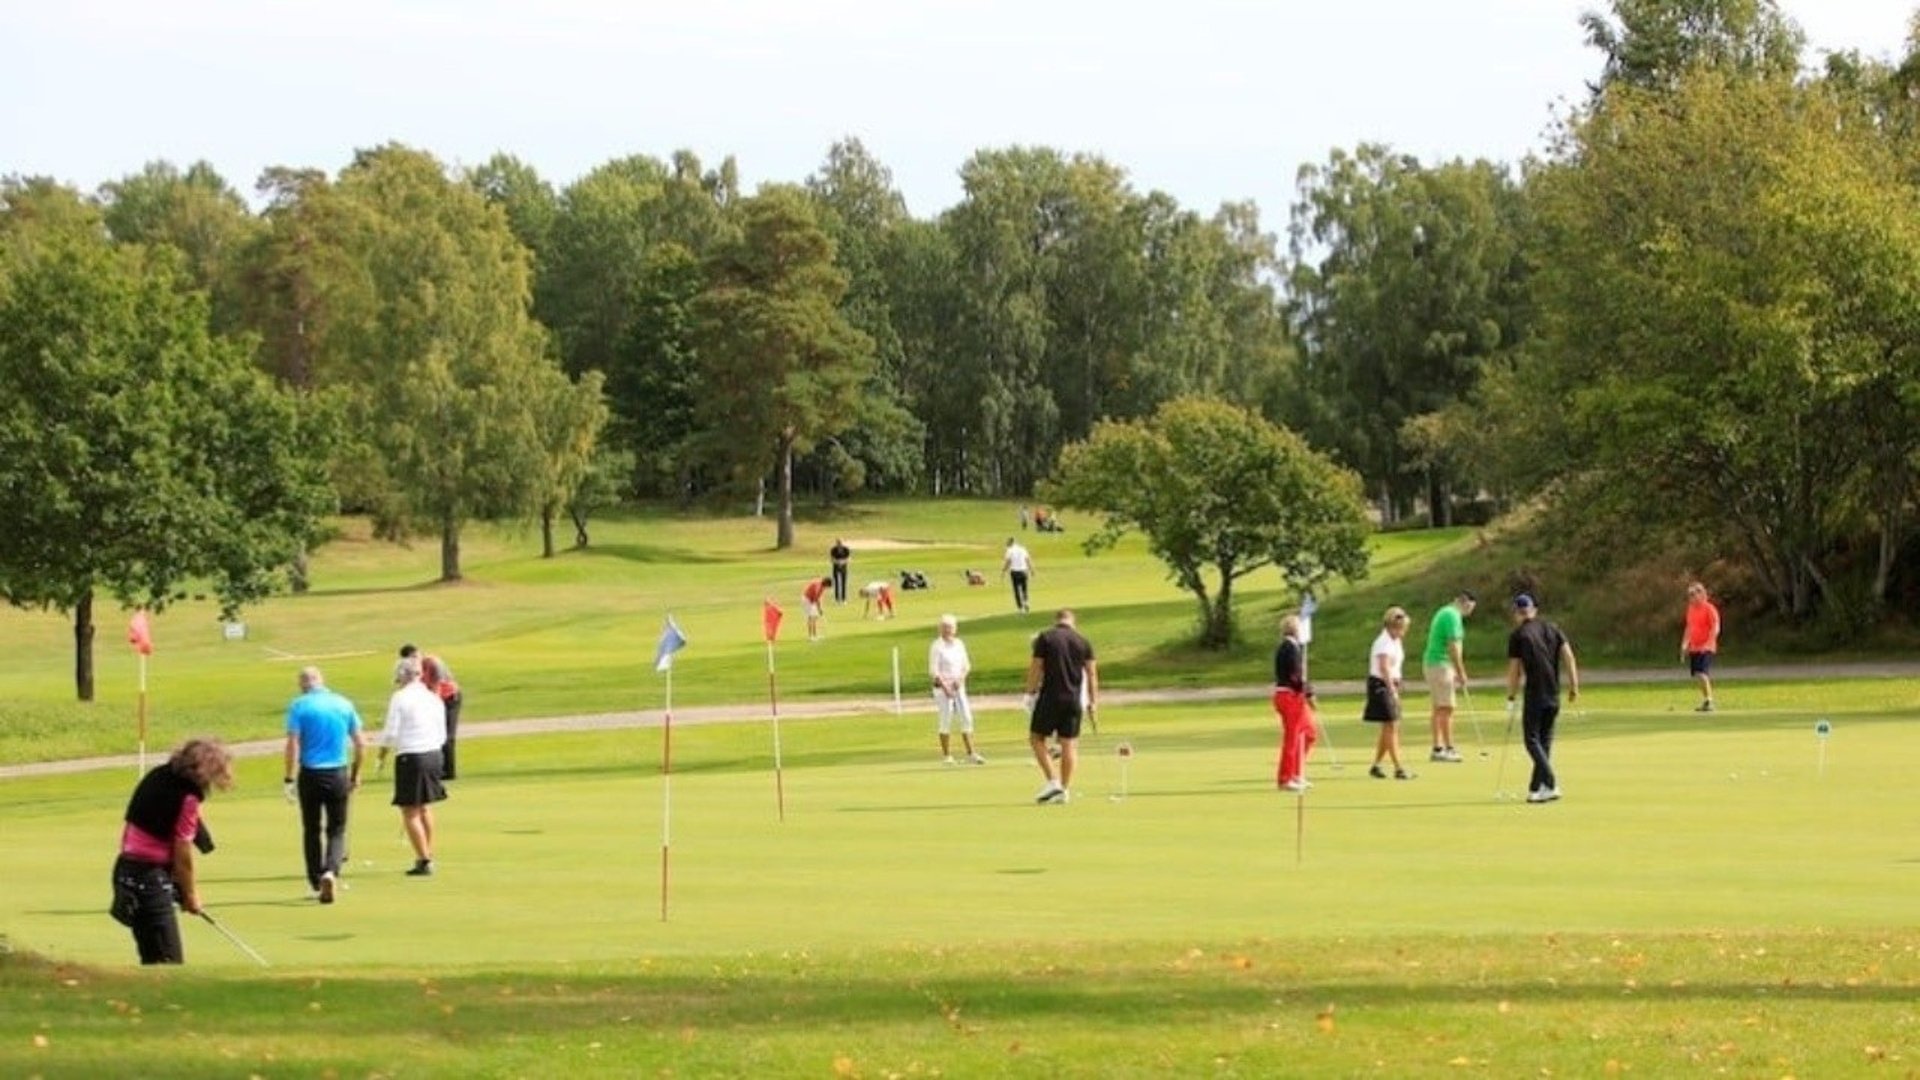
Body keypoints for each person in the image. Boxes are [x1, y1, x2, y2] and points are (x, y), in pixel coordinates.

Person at [110, 738, 234, 964]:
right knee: (167, 962)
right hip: (147, 880)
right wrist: (190, 894)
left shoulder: (159, 775)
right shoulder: (187, 797)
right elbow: (182, 853)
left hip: (126, 871)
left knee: (153, 957)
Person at [283, 666, 366, 904]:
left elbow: (293, 744)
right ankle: (331, 871)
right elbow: (361, 744)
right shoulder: (343, 703)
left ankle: (315, 881)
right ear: (322, 681)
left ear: (302, 685)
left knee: (311, 829)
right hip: (338, 772)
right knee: (337, 829)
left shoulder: (299, 705)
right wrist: (355, 773)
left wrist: (289, 777)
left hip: (310, 774)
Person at [1505, 593, 1580, 803]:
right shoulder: (1552, 628)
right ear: (1533, 610)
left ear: (1517, 614)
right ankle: (1536, 789)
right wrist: (1574, 686)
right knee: (1544, 742)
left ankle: (1552, 782)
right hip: (1553, 693)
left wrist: (1511, 696)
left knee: (1531, 740)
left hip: (1535, 693)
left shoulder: (1518, 635)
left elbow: (1514, 670)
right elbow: (1569, 657)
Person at [378, 656, 449, 876]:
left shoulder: (400, 698)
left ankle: (423, 859)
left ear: (401, 676)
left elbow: (391, 732)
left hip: (412, 756)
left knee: (410, 810)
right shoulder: (432, 697)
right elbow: (442, 733)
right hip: (434, 754)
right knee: (425, 806)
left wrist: (382, 754)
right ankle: (427, 853)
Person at [1026, 609, 1097, 804]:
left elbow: (1036, 667)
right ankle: (1064, 790)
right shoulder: (1083, 641)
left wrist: (1030, 692)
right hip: (1074, 700)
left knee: (1036, 738)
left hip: (1050, 697)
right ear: (1072, 622)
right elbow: (1091, 675)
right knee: (1069, 744)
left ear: (1056, 621)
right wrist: (1093, 702)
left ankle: (1053, 781)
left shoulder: (1045, 638)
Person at [1421, 591, 1477, 763]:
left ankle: (1438, 748)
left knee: (1439, 707)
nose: (1470, 612)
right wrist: (1461, 671)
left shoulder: (1446, 612)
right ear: (1465, 603)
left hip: (1435, 663)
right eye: (1470, 608)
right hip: (1440, 664)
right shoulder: (1452, 616)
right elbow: (1454, 647)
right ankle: (1448, 748)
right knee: (1447, 707)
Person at [1364, 607, 1415, 780]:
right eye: (1402, 628)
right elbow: (1383, 667)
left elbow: (1394, 667)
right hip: (1381, 686)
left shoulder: (1395, 641)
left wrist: (1396, 685)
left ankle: (1376, 765)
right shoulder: (1383, 642)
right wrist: (1392, 690)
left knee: (1389, 726)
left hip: (1390, 684)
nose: (1404, 632)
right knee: (1391, 725)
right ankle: (1399, 768)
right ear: (1393, 626)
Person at [400, 644, 463, 780]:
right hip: (434, 700)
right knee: (434, 735)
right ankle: (437, 769)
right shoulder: (411, 670)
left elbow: (438, 684)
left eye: (415, 657)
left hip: (449, 697)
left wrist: (433, 705)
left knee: (447, 735)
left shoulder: (432, 662)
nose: (414, 661)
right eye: (411, 659)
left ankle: (449, 772)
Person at [929, 614, 984, 765]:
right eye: (944, 627)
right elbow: (934, 671)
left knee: (966, 717)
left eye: (950, 627)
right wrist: (945, 687)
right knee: (945, 719)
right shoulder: (937, 646)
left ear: (955, 629)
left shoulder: (959, 644)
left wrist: (960, 680)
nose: (947, 630)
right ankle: (947, 755)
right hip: (943, 688)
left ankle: (971, 753)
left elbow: (966, 665)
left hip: (958, 685)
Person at [1273, 612, 1318, 792]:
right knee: (1292, 737)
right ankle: (1285, 778)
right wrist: (1308, 693)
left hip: (1295, 696)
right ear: (1294, 629)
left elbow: (1299, 674)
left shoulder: (1294, 647)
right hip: (1289, 696)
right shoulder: (1289, 648)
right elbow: (1294, 676)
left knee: (1309, 733)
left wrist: (1307, 691)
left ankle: (1296, 772)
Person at [1682, 580, 1721, 712]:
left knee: (1702, 673)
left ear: (1702, 594)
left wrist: (1709, 643)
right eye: (1689, 594)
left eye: (1693, 594)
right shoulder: (1691, 609)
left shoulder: (1709, 608)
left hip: (1706, 647)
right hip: (1694, 647)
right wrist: (1684, 644)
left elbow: (1715, 627)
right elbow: (1689, 627)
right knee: (1697, 674)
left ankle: (1710, 700)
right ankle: (1706, 700)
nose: (1691, 597)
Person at [1002, 537, 1034, 613]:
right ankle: (1026, 602)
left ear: (1011, 542)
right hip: (1024, 571)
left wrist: (1004, 571)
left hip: (1015, 572)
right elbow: (1027, 560)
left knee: (1016, 590)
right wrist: (1032, 570)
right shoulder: (1023, 549)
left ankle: (1020, 608)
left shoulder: (1009, 550)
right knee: (1024, 589)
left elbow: (1008, 562)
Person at [803, 576, 831, 641]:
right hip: (807, 600)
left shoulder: (822, 587)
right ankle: (810, 636)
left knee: (814, 617)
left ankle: (815, 635)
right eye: (827, 586)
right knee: (811, 618)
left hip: (811, 600)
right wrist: (819, 609)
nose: (827, 588)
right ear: (826, 583)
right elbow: (816, 599)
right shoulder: (818, 586)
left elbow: (818, 598)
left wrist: (820, 609)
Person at [829, 538, 852, 604]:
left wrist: (843, 562)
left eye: (840, 543)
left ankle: (844, 599)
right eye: (838, 543)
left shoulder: (846, 549)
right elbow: (831, 559)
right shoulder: (833, 550)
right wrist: (837, 562)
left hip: (844, 568)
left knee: (843, 583)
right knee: (836, 583)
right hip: (836, 568)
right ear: (836, 543)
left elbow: (849, 558)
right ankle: (837, 599)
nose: (839, 544)